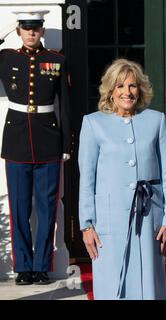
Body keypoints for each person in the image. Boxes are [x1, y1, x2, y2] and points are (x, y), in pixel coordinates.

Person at [78, 59, 166, 300]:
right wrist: (86, 224)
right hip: (108, 221)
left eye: (132, 86)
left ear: (140, 89)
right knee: (112, 286)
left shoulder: (156, 120)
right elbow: (86, 178)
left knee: (148, 286)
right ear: (111, 91)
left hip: (148, 216)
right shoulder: (93, 123)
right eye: (120, 86)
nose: (127, 92)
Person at [0, 11, 71, 285]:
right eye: (26, 28)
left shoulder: (56, 60)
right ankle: (23, 268)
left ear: (42, 30)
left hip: (48, 142)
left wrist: (66, 143)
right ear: (20, 30)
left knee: (46, 209)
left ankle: (42, 266)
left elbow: (64, 104)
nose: (31, 33)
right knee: (18, 209)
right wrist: (5, 29)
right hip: (17, 142)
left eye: (36, 28)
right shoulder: (7, 59)